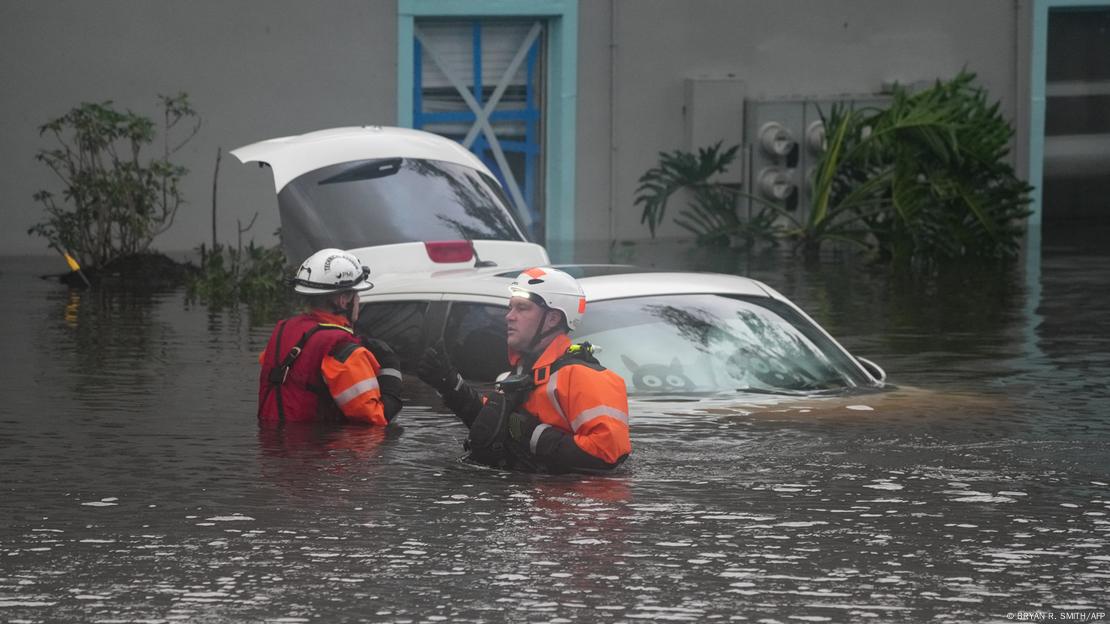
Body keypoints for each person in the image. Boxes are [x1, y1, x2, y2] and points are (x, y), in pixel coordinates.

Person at [417, 267, 630, 473]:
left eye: (522, 308)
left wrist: (529, 433)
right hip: (524, 499)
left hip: (566, 506)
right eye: (511, 307)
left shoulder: (585, 377)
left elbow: (607, 455)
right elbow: (493, 427)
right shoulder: (522, 373)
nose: (509, 316)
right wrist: (451, 386)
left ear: (553, 319)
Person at [258, 248, 402, 426]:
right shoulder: (346, 352)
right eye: (356, 295)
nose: (358, 301)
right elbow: (374, 420)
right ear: (343, 300)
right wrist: (391, 370)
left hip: (273, 447)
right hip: (317, 450)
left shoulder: (283, 333)